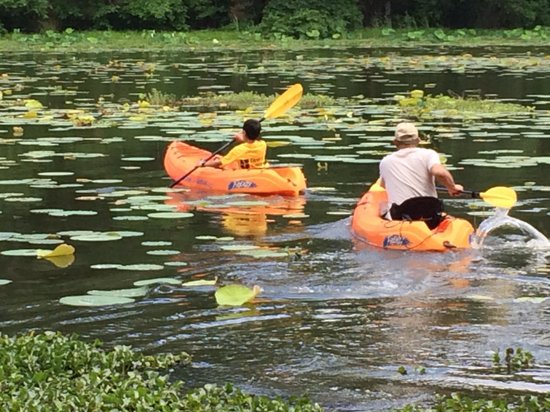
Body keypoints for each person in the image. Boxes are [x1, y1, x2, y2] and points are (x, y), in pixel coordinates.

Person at [379, 122, 463, 229]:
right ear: (418, 140)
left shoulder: (386, 161)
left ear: (395, 142)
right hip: (430, 216)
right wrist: (452, 187)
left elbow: (382, 187)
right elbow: (439, 172)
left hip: (401, 217)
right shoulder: (429, 154)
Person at [197, 119, 267, 169]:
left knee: (218, 161)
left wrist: (203, 164)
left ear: (244, 133)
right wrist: (243, 139)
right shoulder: (263, 145)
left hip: (244, 175)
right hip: (258, 171)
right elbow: (250, 146)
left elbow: (220, 163)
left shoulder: (238, 149)